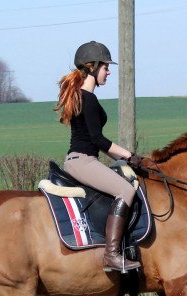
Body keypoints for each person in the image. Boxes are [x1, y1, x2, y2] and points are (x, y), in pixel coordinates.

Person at [54, 40, 142, 273]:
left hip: (83, 159)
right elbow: (98, 140)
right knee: (126, 190)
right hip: (83, 161)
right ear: (92, 67)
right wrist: (130, 155)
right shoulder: (88, 98)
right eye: (105, 67)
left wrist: (126, 158)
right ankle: (112, 255)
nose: (109, 71)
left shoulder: (82, 96)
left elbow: (98, 142)